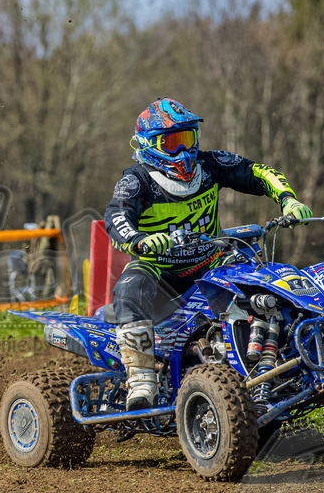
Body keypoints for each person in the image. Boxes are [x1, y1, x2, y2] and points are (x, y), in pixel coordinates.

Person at [104, 97, 312, 411]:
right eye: (172, 142)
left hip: (212, 260)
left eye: (188, 139)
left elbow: (256, 171)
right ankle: (141, 380)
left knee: (266, 282)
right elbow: (116, 217)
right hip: (159, 269)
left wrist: (287, 199)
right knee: (129, 290)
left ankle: (290, 356)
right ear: (149, 145)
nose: (184, 151)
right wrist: (139, 241)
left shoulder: (209, 164)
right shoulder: (136, 181)